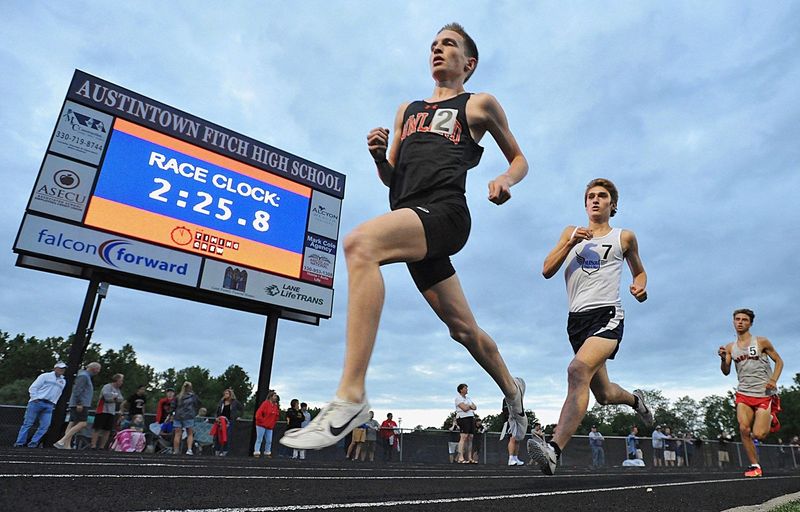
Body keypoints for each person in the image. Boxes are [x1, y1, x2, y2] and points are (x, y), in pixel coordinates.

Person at [280, 22, 529, 452]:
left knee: (361, 244)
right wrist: (379, 156)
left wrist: (505, 179)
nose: (437, 50)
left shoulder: (479, 104)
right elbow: (392, 180)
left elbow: (520, 158)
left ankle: (351, 396)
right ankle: (512, 389)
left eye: (448, 44)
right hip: (411, 217)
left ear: (467, 63)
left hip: (447, 214)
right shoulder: (407, 110)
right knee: (463, 330)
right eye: (433, 45)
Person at [528, 178, 653, 475]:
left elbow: (640, 272)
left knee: (576, 370)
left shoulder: (624, 237)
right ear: (585, 203)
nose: (596, 200)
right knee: (605, 394)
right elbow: (546, 270)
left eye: (602, 196)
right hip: (576, 321)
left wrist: (640, 286)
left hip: (607, 315)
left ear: (613, 204)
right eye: (590, 196)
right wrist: (571, 242)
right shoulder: (570, 233)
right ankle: (637, 401)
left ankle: (554, 450)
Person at [718, 308, 784, 477]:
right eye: (737, 319)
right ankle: (755, 466)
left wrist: (773, 380)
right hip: (744, 393)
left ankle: (770, 417)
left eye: (744, 320)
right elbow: (726, 371)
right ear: (733, 322)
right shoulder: (730, 347)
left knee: (759, 434)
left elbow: (779, 361)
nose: (740, 322)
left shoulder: (761, 342)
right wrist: (723, 358)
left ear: (750, 323)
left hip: (763, 393)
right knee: (744, 429)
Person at [14, 361, 67, 448]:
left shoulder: (63, 381)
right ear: (55, 368)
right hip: (37, 402)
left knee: (45, 426)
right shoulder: (45, 376)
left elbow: (58, 393)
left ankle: (33, 444)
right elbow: (33, 387)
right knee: (28, 424)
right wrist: (34, 398)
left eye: (63, 369)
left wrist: (54, 403)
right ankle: (19, 443)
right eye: (61, 368)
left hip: (49, 404)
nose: (62, 370)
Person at [54, 362, 101, 449]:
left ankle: (66, 445)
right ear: (93, 368)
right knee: (83, 423)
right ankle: (62, 441)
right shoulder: (84, 376)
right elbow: (77, 390)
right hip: (80, 404)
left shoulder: (85, 376)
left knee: (72, 423)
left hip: (78, 403)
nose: (98, 371)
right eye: (98, 369)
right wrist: (79, 403)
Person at [91, 373, 124, 449]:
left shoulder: (118, 390)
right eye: (121, 380)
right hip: (102, 410)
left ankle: (102, 446)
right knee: (97, 428)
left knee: (107, 429)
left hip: (111, 412)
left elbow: (121, 399)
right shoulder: (107, 387)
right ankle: (93, 445)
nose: (122, 382)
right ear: (117, 380)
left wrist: (114, 399)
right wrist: (114, 398)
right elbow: (106, 397)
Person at [172, 381, 200, 455]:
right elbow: (198, 403)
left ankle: (176, 450)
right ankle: (189, 449)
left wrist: (172, 414)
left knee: (177, 434)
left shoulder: (178, 396)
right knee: (190, 433)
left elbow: (173, 406)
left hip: (178, 416)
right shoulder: (193, 396)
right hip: (189, 416)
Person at [215, 388, 243, 456]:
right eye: (225, 393)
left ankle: (225, 450)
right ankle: (217, 450)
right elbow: (217, 410)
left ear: (230, 395)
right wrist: (216, 417)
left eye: (227, 393)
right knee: (218, 436)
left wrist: (238, 416)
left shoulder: (234, 402)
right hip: (220, 420)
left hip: (229, 421)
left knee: (227, 436)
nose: (225, 395)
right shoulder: (221, 402)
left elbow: (241, 408)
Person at [253, 392, 280, 458]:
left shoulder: (275, 406)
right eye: (274, 396)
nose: (275, 398)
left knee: (269, 440)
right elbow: (258, 414)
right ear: (270, 397)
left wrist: (273, 421)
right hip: (261, 425)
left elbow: (276, 415)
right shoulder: (265, 403)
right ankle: (256, 452)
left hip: (270, 426)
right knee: (259, 439)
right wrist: (263, 421)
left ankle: (267, 452)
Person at [499, 401, 524, 466]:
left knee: (517, 439)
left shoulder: (518, 397)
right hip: (511, 419)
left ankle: (515, 458)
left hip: (518, 419)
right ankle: (511, 458)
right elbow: (506, 410)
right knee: (512, 438)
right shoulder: (507, 398)